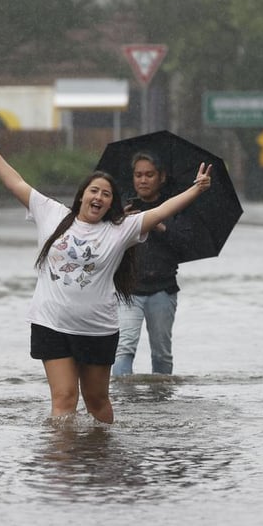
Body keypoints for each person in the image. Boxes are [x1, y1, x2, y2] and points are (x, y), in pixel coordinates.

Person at [0, 129, 210, 423]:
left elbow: (162, 210)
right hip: (51, 324)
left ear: (111, 203)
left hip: (97, 329)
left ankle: (99, 458)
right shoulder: (52, 213)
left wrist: (196, 189)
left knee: (97, 401)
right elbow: (15, 182)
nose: (99, 196)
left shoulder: (120, 229)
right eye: (94, 191)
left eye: (106, 194)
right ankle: (63, 464)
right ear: (82, 195)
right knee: (63, 399)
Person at [113, 152, 192, 376]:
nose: (143, 180)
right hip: (128, 290)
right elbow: (102, 243)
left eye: (149, 175)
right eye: (138, 175)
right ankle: (122, 398)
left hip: (163, 290)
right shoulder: (121, 208)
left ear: (161, 177)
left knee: (161, 353)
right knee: (124, 346)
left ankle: (161, 400)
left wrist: (157, 223)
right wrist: (119, 222)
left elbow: (185, 244)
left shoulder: (174, 207)